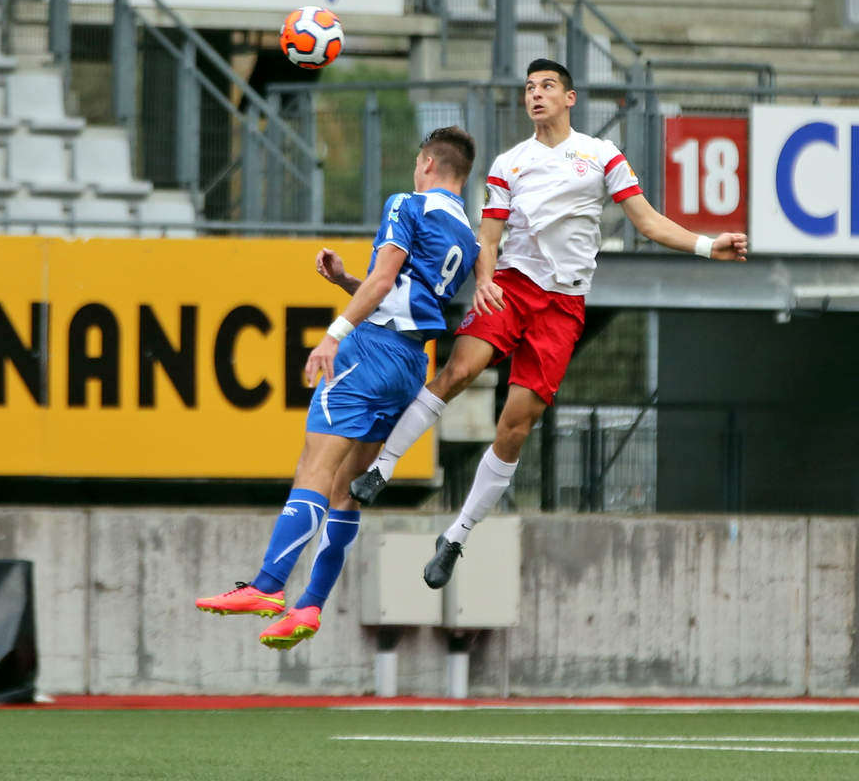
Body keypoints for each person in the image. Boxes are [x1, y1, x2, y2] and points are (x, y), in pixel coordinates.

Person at [348, 58, 749, 589]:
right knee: (460, 370)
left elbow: (647, 221)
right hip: (510, 287)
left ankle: (457, 537)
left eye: (547, 87)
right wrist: (486, 278)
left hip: (562, 307)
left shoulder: (601, 155)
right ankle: (382, 468)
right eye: (530, 88)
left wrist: (707, 244)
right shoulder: (509, 162)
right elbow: (488, 238)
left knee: (515, 426)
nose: (536, 95)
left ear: (570, 98)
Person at [195, 126, 482, 649]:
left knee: (314, 467)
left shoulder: (408, 204)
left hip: (368, 352)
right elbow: (404, 295)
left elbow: (384, 282)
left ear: (426, 165)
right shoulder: (467, 235)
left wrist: (333, 335)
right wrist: (348, 281)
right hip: (410, 363)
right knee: (345, 488)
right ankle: (309, 606)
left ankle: (267, 587)